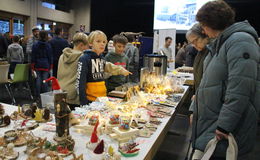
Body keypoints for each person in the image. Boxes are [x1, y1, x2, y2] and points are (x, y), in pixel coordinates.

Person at [191, 0, 260, 159]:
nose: (202, 29)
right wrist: (196, 108)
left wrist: (224, 125)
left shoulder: (240, 41)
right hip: (212, 122)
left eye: (203, 24)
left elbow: (241, 88)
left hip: (224, 128)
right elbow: (209, 84)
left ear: (211, 23)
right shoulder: (222, 44)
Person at [76, 30, 131, 105]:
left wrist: (122, 71)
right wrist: (83, 102)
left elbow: (110, 67)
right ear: (90, 43)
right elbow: (80, 82)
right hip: (90, 101)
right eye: (98, 41)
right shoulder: (84, 59)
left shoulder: (101, 58)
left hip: (102, 99)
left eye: (104, 42)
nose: (102, 44)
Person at [57, 32, 89, 110]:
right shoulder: (83, 57)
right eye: (87, 45)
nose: (88, 48)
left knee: (64, 119)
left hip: (61, 92)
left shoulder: (62, 56)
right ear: (81, 45)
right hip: (75, 95)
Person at [31, 31, 53, 100]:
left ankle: (37, 95)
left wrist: (32, 66)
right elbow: (50, 56)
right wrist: (51, 65)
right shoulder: (48, 45)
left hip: (37, 64)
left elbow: (33, 56)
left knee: (38, 80)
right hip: (46, 64)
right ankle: (45, 95)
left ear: (39, 36)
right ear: (46, 36)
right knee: (45, 81)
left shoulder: (35, 45)